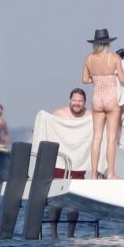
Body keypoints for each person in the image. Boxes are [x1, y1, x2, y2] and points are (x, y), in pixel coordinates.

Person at [82, 28, 124, 180]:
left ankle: (94, 174)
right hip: (111, 97)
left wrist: (97, 78)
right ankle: (111, 173)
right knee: (111, 137)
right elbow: (122, 79)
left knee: (97, 137)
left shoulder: (89, 58)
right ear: (108, 43)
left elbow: (85, 80)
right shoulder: (114, 58)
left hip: (97, 97)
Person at [48, 88, 91, 238]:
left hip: (78, 163)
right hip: (60, 162)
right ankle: (54, 234)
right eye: (75, 100)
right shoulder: (58, 114)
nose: (77, 103)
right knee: (57, 198)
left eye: (80, 101)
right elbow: (48, 130)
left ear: (84, 102)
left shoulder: (90, 116)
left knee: (74, 200)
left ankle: (70, 234)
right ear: (70, 100)